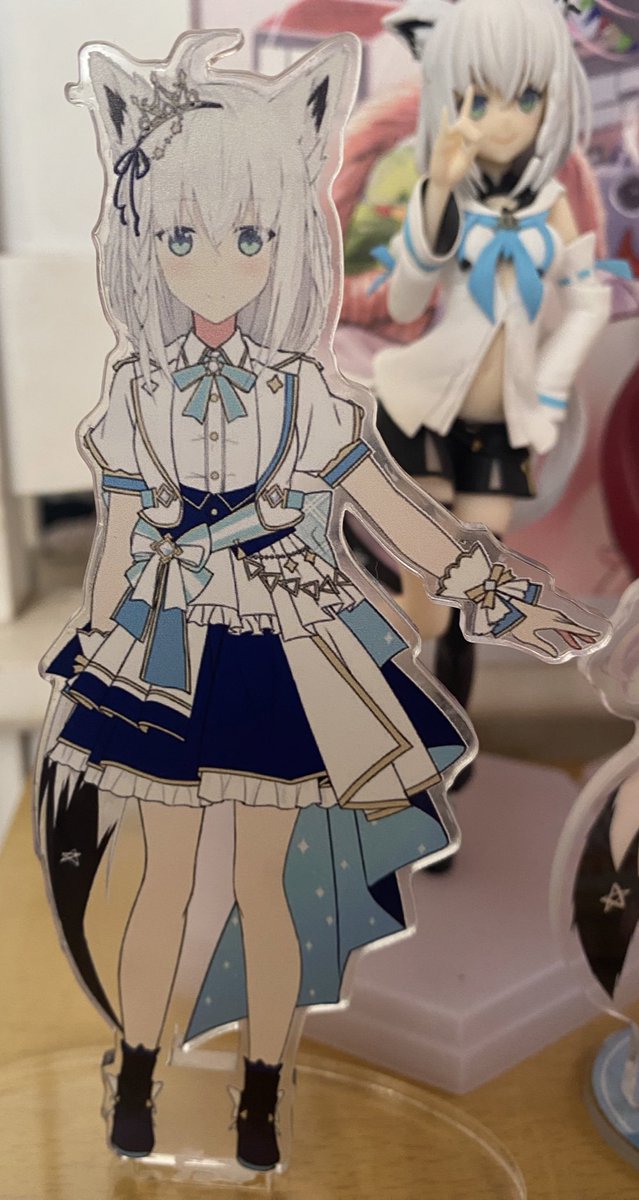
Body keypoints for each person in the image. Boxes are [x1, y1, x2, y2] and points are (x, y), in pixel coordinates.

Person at [35, 31, 604, 1174]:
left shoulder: (308, 401)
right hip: (163, 654)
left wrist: (501, 595)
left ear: (287, 237)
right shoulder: (136, 398)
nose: (216, 266)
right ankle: (137, 1072)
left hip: (277, 653)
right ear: (144, 240)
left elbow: (398, 518)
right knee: (164, 881)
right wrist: (97, 650)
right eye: (182, 237)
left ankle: (260, 1090)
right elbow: (120, 543)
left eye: (249, 236)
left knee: (264, 886)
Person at [374, 0, 612, 720]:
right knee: (427, 592)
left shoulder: (550, 205)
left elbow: (589, 302)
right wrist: (439, 190)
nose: (505, 121)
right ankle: (383, 688)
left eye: (526, 96)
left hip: (500, 428)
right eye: (479, 99)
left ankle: (449, 731)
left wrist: (548, 391)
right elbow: (404, 300)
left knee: (473, 590)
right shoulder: (443, 196)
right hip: (422, 410)